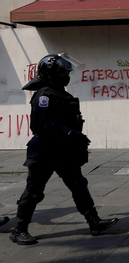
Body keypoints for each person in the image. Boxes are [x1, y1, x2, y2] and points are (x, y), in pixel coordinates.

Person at [11, 53, 118, 245]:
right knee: (34, 191)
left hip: (63, 151)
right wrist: (71, 133)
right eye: (63, 72)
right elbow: (46, 123)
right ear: (50, 74)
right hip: (44, 150)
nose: (67, 74)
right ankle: (19, 229)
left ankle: (94, 222)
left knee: (78, 184)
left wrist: (75, 137)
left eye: (68, 71)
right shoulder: (44, 95)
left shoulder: (60, 93)